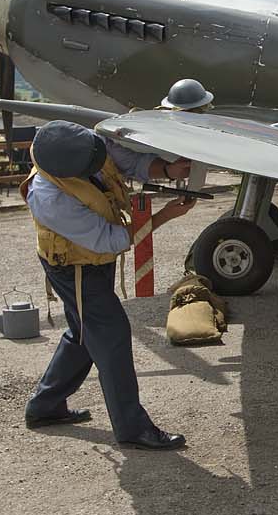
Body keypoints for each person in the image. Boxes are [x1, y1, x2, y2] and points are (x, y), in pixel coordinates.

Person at [20, 120, 196, 449]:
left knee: (84, 332)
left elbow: (127, 161)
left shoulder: (84, 142)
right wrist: (163, 217)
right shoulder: (49, 198)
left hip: (92, 261)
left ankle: (45, 406)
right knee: (111, 334)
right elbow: (109, 240)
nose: (102, 161)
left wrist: (169, 171)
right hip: (75, 268)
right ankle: (133, 429)